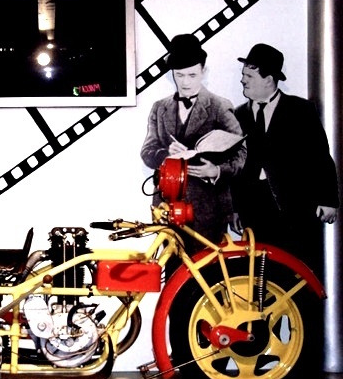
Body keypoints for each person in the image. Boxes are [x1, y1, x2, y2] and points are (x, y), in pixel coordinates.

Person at [231, 43, 340, 282]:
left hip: (295, 208)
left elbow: (320, 156)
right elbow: (235, 167)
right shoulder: (238, 116)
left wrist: (329, 200)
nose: (243, 81)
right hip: (254, 210)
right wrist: (235, 208)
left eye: (249, 76)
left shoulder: (301, 110)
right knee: (260, 278)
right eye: (243, 75)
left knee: (299, 275)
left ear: (269, 80)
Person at [141, 34, 246, 253]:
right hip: (167, 206)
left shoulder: (219, 106)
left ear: (203, 71)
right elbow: (147, 151)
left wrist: (216, 171)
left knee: (206, 269)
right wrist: (165, 154)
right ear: (172, 73)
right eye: (179, 75)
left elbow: (241, 153)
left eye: (192, 75)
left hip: (209, 208)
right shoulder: (159, 108)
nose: (186, 82)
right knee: (171, 267)